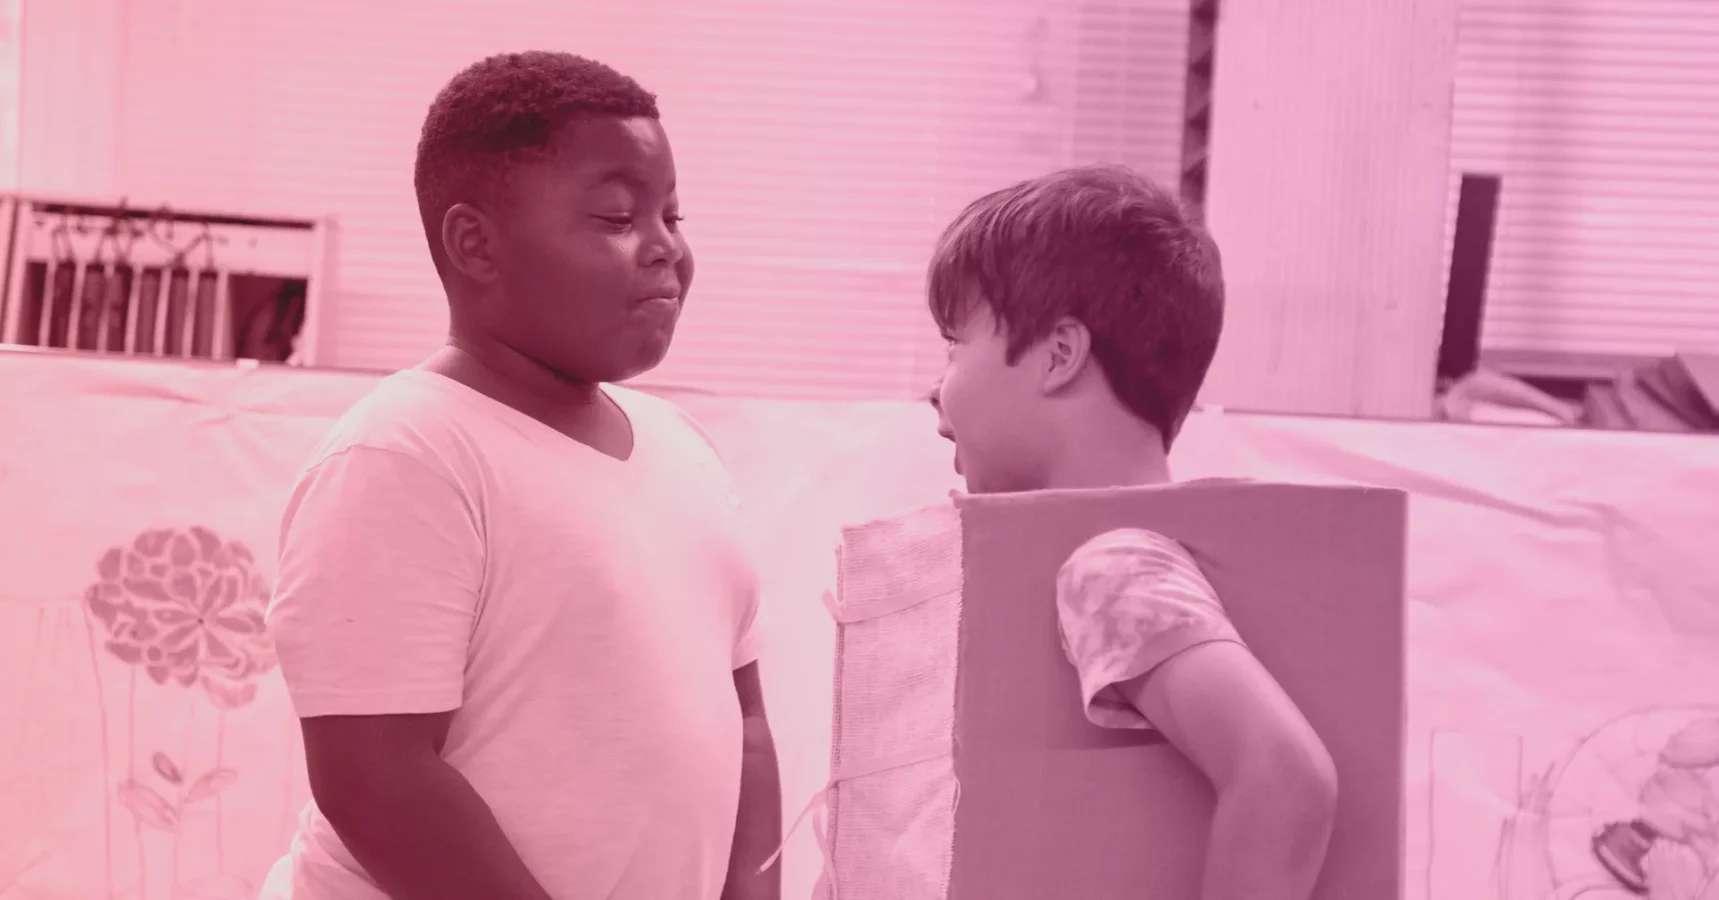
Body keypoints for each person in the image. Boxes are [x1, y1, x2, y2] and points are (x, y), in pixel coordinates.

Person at [261, 51, 781, 900]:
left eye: (672, 214)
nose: (665, 250)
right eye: (616, 216)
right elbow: (374, 774)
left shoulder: (682, 447)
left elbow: (745, 723)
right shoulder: (409, 452)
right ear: (475, 244)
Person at [927, 165, 1340, 899]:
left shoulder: (1112, 568)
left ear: (1058, 355)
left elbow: (1285, 777)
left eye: (954, 345)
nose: (935, 389)